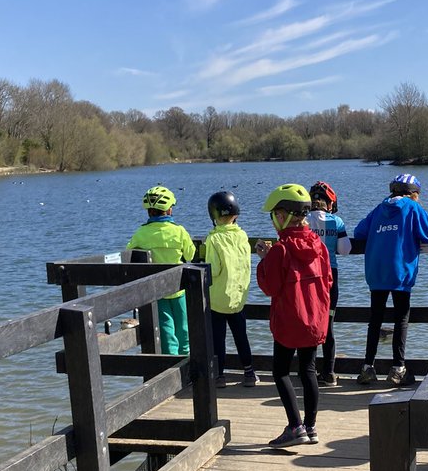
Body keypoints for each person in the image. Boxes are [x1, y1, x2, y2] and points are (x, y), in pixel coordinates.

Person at [255, 184, 331, 448]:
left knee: (280, 372)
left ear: (283, 215)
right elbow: (328, 281)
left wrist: (264, 260)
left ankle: (295, 426)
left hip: (289, 319)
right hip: (314, 318)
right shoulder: (319, 245)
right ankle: (311, 427)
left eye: (275, 214)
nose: (273, 219)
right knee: (308, 370)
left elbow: (269, 287)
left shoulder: (281, 249)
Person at [353, 173, 428, 387]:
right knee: (401, 319)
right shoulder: (412, 207)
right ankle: (398, 368)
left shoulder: (379, 208)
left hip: (376, 271)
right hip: (400, 270)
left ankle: (367, 368)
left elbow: (359, 232)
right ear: (413, 194)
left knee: (375, 319)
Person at [126, 185, 196, 355]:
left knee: (166, 330)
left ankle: (171, 364)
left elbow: (128, 253)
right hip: (179, 287)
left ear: (148, 211)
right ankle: (187, 360)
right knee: (184, 328)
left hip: (158, 290)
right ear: (169, 210)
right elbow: (191, 254)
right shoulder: (179, 231)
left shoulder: (141, 233)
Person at [202, 190, 258, 389]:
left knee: (219, 338)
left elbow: (213, 270)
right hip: (238, 297)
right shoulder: (243, 236)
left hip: (218, 298)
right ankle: (249, 373)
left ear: (214, 215)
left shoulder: (213, 240)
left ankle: (219, 376)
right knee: (240, 335)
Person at [307, 180, 352, 386]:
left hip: (308, 276)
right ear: (330, 203)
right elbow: (345, 250)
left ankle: (308, 370)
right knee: (329, 325)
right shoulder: (337, 221)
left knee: (309, 323)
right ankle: (329, 373)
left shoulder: (304, 220)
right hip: (330, 276)